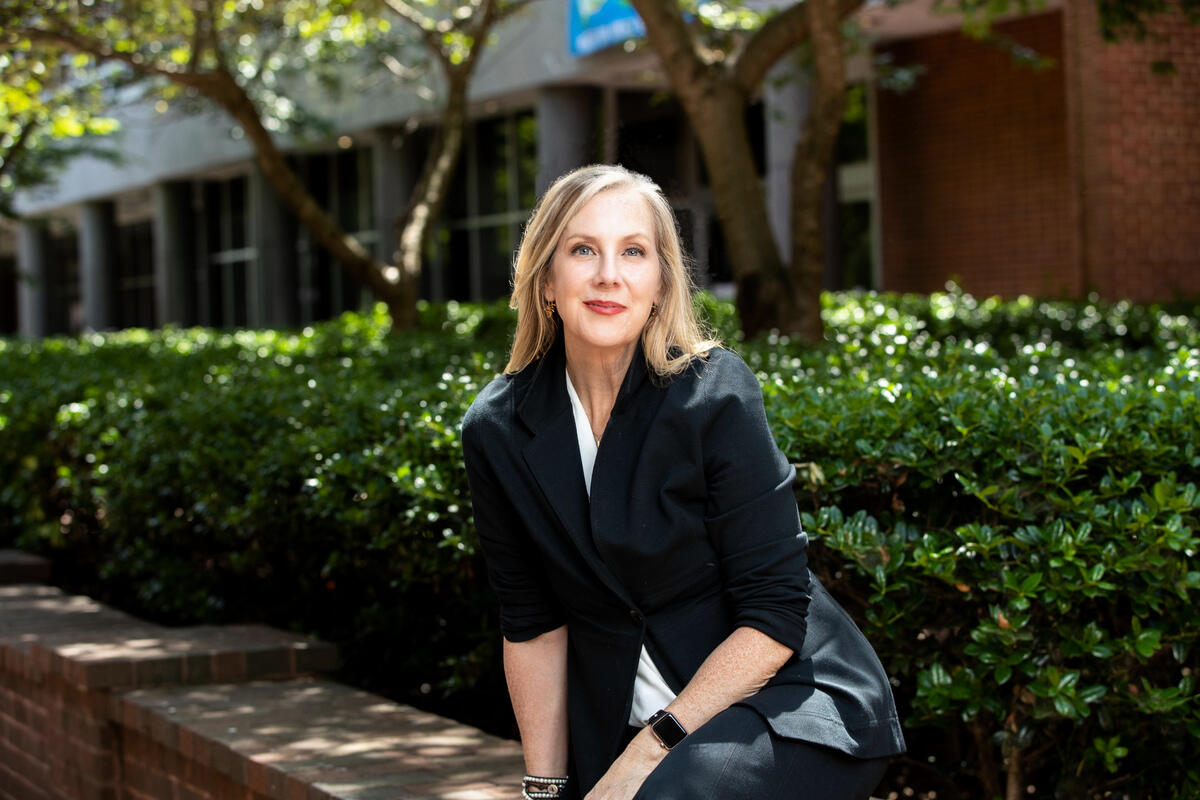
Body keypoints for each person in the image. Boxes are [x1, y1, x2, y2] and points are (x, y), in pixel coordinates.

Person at [461, 164, 905, 800]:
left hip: (785, 702)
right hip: (623, 721)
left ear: (660, 283)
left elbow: (775, 612)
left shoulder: (713, 394)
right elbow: (531, 622)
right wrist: (545, 788)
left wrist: (651, 752)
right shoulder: (499, 429)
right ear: (546, 280)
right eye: (583, 249)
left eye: (633, 252)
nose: (608, 273)